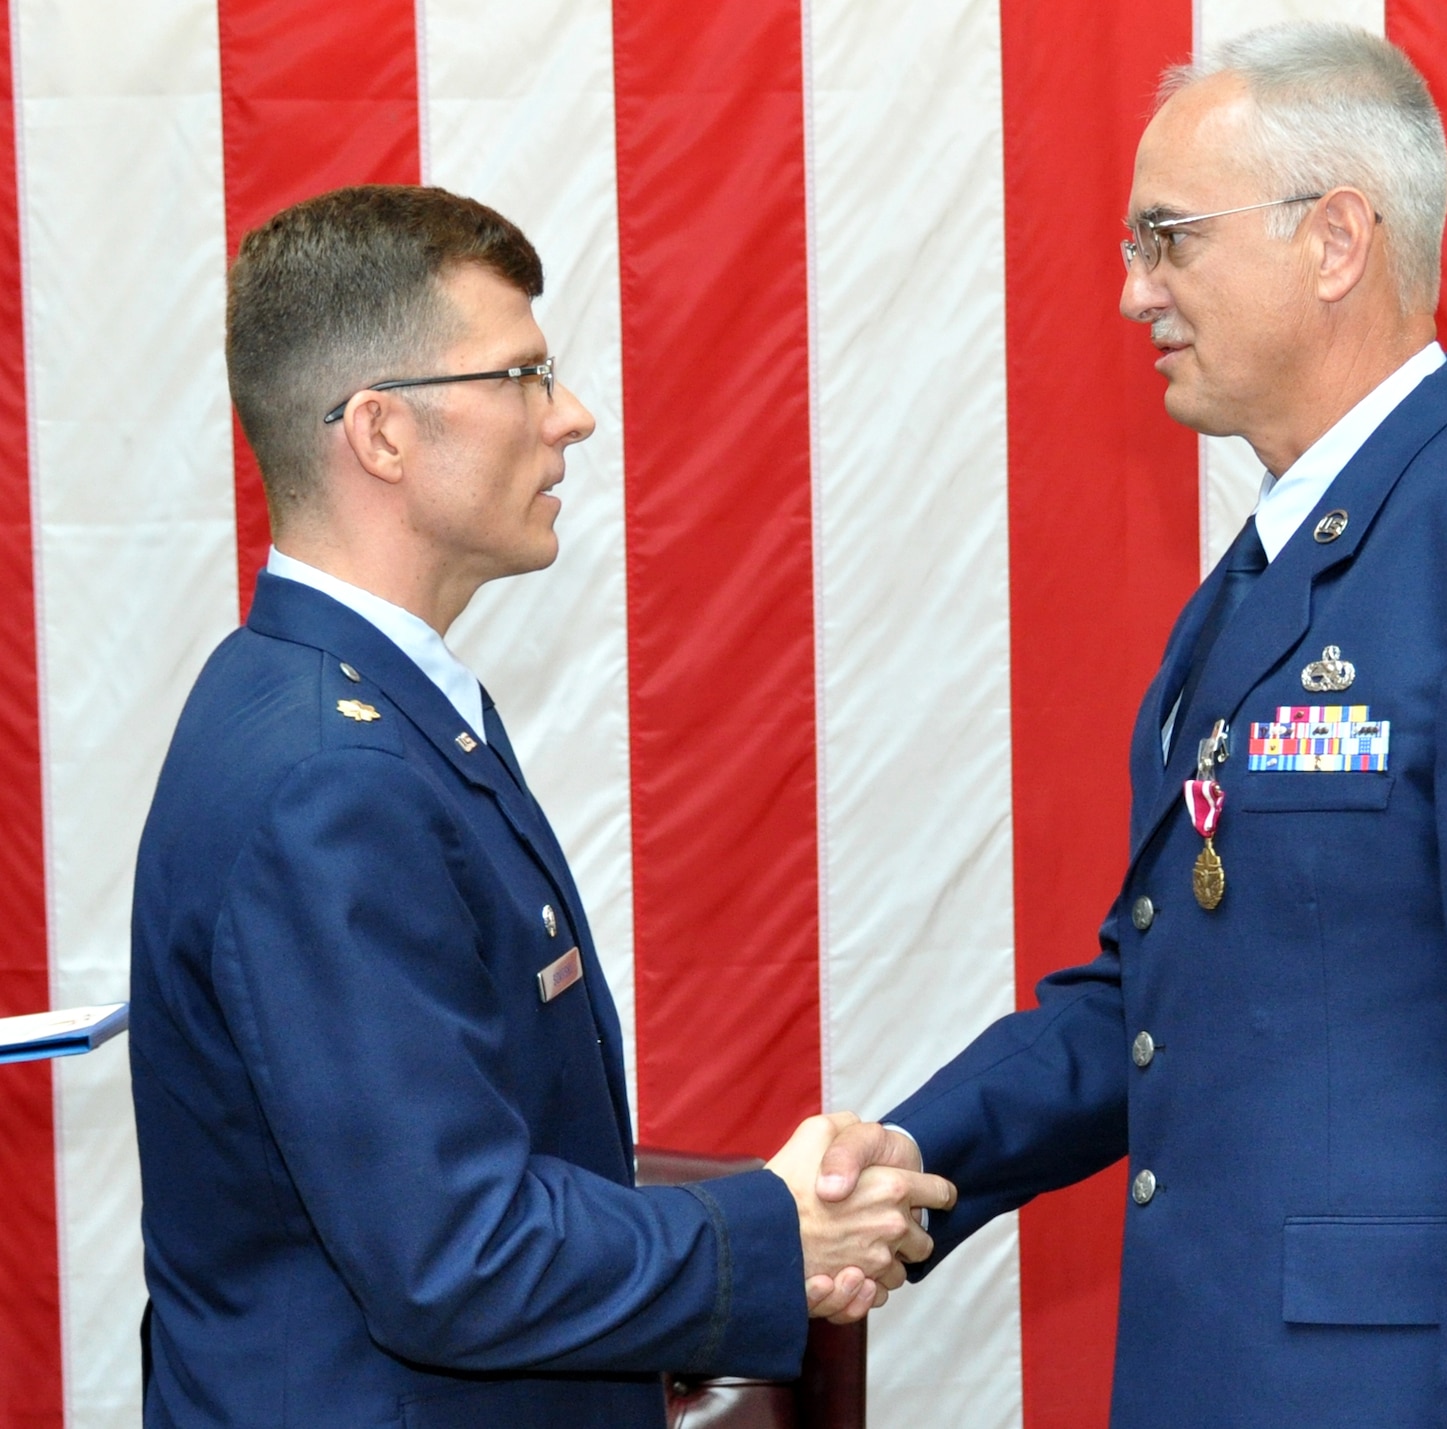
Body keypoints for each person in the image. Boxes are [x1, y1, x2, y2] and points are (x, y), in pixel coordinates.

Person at [815, 23, 1447, 1426]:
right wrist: (914, 1154)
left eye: (1169, 237)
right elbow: (1159, 997)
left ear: (1335, 239)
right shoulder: (1272, 581)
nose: (1134, 293)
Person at [128, 185, 949, 1429]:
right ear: (383, 435)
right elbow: (456, 1255)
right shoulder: (329, 775)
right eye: (521, 374)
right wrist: (772, 1229)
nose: (570, 416)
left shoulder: (359, 704)